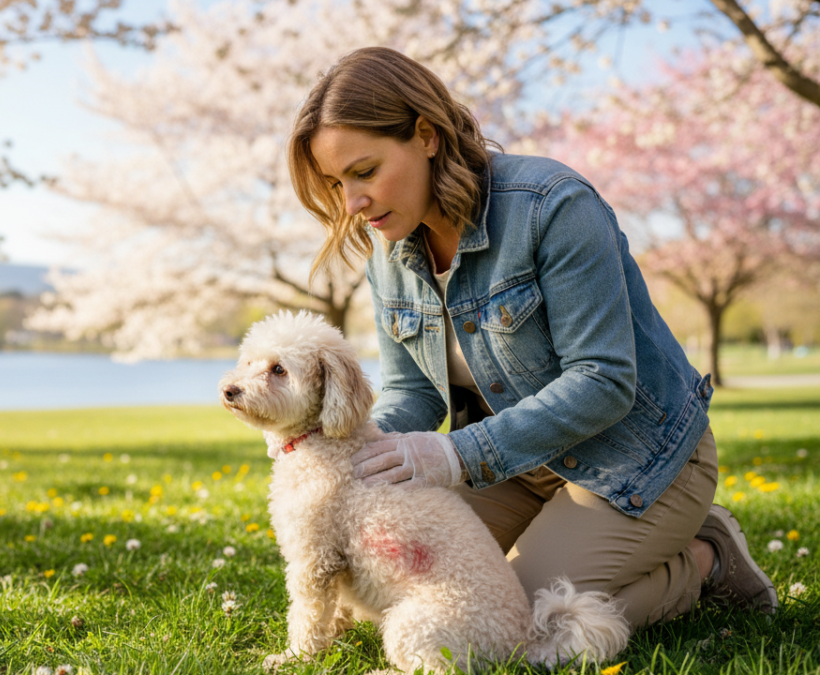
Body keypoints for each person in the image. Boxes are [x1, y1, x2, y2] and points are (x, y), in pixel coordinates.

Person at [284, 46, 777, 629]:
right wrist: (344, 449)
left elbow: (603, 380)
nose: (353, 203)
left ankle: (707, 559)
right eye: (337, 182)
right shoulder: (390, 250)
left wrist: (453, 452)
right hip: (512, 468)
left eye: (364, 172)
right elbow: (412, 391)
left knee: (513, 622)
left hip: (635, 459)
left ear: (427, 135)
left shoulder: (552, 206)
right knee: (397, 592)